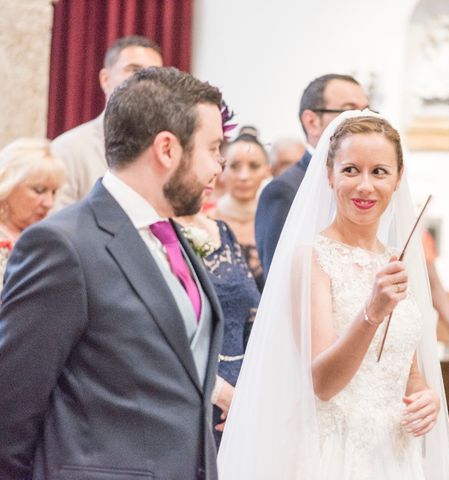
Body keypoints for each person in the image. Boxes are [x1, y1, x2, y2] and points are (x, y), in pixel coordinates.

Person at [0, 67, 226, 479]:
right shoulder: (63, 246)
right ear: (167, 149)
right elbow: (11, 408)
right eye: (212, 148)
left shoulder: (173, 235)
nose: (219, 167)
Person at [218, 111, 449, 480]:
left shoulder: (396, 259)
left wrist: (424, 396)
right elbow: (323, 384)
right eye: (350, 170)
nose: (365, 186)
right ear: (329, 175)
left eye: (379, 171)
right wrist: (371, 312)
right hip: (334, 455)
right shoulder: (312, 258)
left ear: (397, 179)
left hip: (395, 456)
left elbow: (407, 370)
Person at [255, 73, 369, 276]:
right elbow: (279, 279)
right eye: (349, 112)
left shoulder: (367, 187)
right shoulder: (284, 191)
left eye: (366, 112)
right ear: (312, 122)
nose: (364, 123)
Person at [177, 189, 261, 447]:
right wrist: (222, 394)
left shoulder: (222, 230)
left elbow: (250, 313)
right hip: (198, 394)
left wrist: (253, 391)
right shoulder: (164, 235)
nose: (216, 168)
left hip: (246, 393)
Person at [52, 35, 163, 209]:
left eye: (154, 74)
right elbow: (55, 227)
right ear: (105, 79)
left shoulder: (164, 151)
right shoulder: (68, 149)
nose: (145, 81)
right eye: (134, 70)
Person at [0, 138, 65, 287]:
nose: (49, 203)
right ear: (8, 185)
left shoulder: (52, 238)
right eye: (39, 190)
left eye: (54, 192)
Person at [215, 133, 271, 290]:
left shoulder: (276, 222)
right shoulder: (205, 220)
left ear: (268, 171)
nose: (244, 176)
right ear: (222, 169)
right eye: (234, 166)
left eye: (254, 166)